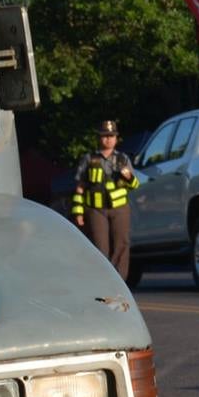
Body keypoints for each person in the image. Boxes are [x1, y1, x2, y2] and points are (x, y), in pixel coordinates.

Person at [70, 119, 137, 281]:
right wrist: (78, 212)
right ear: (99, 138)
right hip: (96, 209)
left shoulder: (122, 159)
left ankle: (120, 282)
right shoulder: (89, 159)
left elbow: (134, 184)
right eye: (104, 135)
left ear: (116, 138)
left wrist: (128, 177)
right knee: (100, 247)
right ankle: (102, 281)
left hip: (119, 208)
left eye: (111, 135)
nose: (108, 139)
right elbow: (80, 187)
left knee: (121, 244)